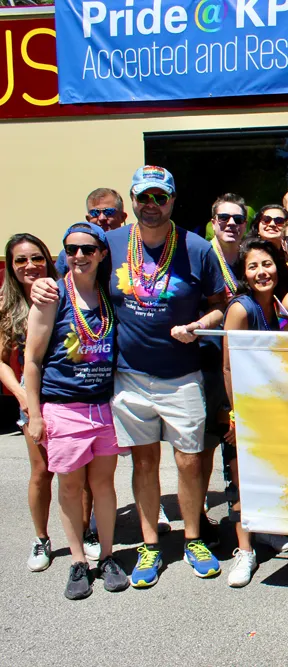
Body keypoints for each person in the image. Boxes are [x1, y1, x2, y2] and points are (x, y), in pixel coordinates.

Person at [32, 165, 229, 588]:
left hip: (182, 374)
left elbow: (220, 305)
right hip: (130, 376)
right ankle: (150, 544)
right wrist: (42, 286)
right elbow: (71, 271)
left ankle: (193, 538)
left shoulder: (197, 248)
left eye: (160, 197)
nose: (151, 205)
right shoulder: (111, 242)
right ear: (133, 200)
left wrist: (200, 325)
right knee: (144, 462)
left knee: (190, 461)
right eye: (143, 197)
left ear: (173, 200)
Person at [23, 222, 129, 599]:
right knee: (69, 486)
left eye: (87, 249)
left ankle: (108, 556)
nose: (79, 256)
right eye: (71, 250)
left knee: (103, 485)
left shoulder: (109, 293)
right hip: (63, 407)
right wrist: (35, 415)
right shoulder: (52, 295)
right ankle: (78, 561)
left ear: (101, 253)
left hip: (103, 407)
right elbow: (32, 360)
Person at [222, 239, 288, 587]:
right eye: (253, 266)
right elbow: (228, 366)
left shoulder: (280, 305)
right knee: (242, 482)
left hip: (273, 407)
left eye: (267, 264)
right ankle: (245, 551)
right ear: (244, 274)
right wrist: (237, 415)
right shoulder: (241, 309)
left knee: (269, 474)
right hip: (246, 406)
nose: (261, 272)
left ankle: (266, 530)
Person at [1, 234, 60, 572]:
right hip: (32, 396)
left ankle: (87, 531)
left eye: (36, 258)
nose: (30, 265)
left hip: (70, 391)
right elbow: (1, 361)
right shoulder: (7, 305)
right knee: (41, 471)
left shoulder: (63, 293)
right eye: (20, 260)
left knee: (78, 471)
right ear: (11, 266)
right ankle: (41, 538)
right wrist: (22, 396)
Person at [198, 194, 246, 549]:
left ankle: (243, 520)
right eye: (224, 218)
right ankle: (199, 518)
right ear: (213, 221)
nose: (231, 224)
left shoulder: (246, 260)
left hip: (241, 366)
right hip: (206, 364)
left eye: (238, 219)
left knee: (237, 444)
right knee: (203, 447)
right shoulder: (201, 256)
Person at [55, 188, 130, 276]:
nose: (102, 218)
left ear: (122, 217)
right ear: (88, 219)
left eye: (109, 212)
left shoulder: (134, 249)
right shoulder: (71, 253)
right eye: (95, 213)